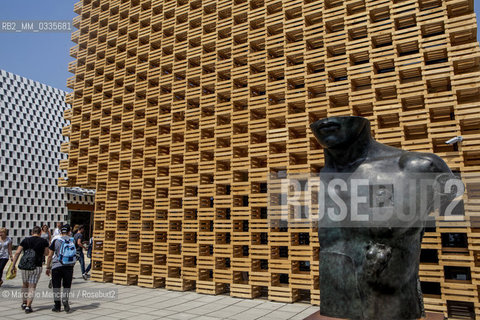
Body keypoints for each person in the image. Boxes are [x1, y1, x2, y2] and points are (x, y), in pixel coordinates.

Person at [11, 226, 49, 313]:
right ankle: (28, 306)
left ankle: (24, 303)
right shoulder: (43, 241)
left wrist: (13, 265)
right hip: (37, 266)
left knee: (25, 284)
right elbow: (46, 253)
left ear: (32, 232)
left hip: (25, 266)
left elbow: (17, 253)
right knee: (32, 286)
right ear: (40, 233)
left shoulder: (25, 240)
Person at [46, 224, 75, 313]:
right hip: (69, 266)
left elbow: (50, 255)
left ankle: (57, 306)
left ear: (60, 231)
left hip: (57, 266)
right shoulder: (71, 240)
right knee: (67, 285)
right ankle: (65, 300)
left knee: (56, 286)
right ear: (69, 231)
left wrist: (48, 267)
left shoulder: (56, 240)